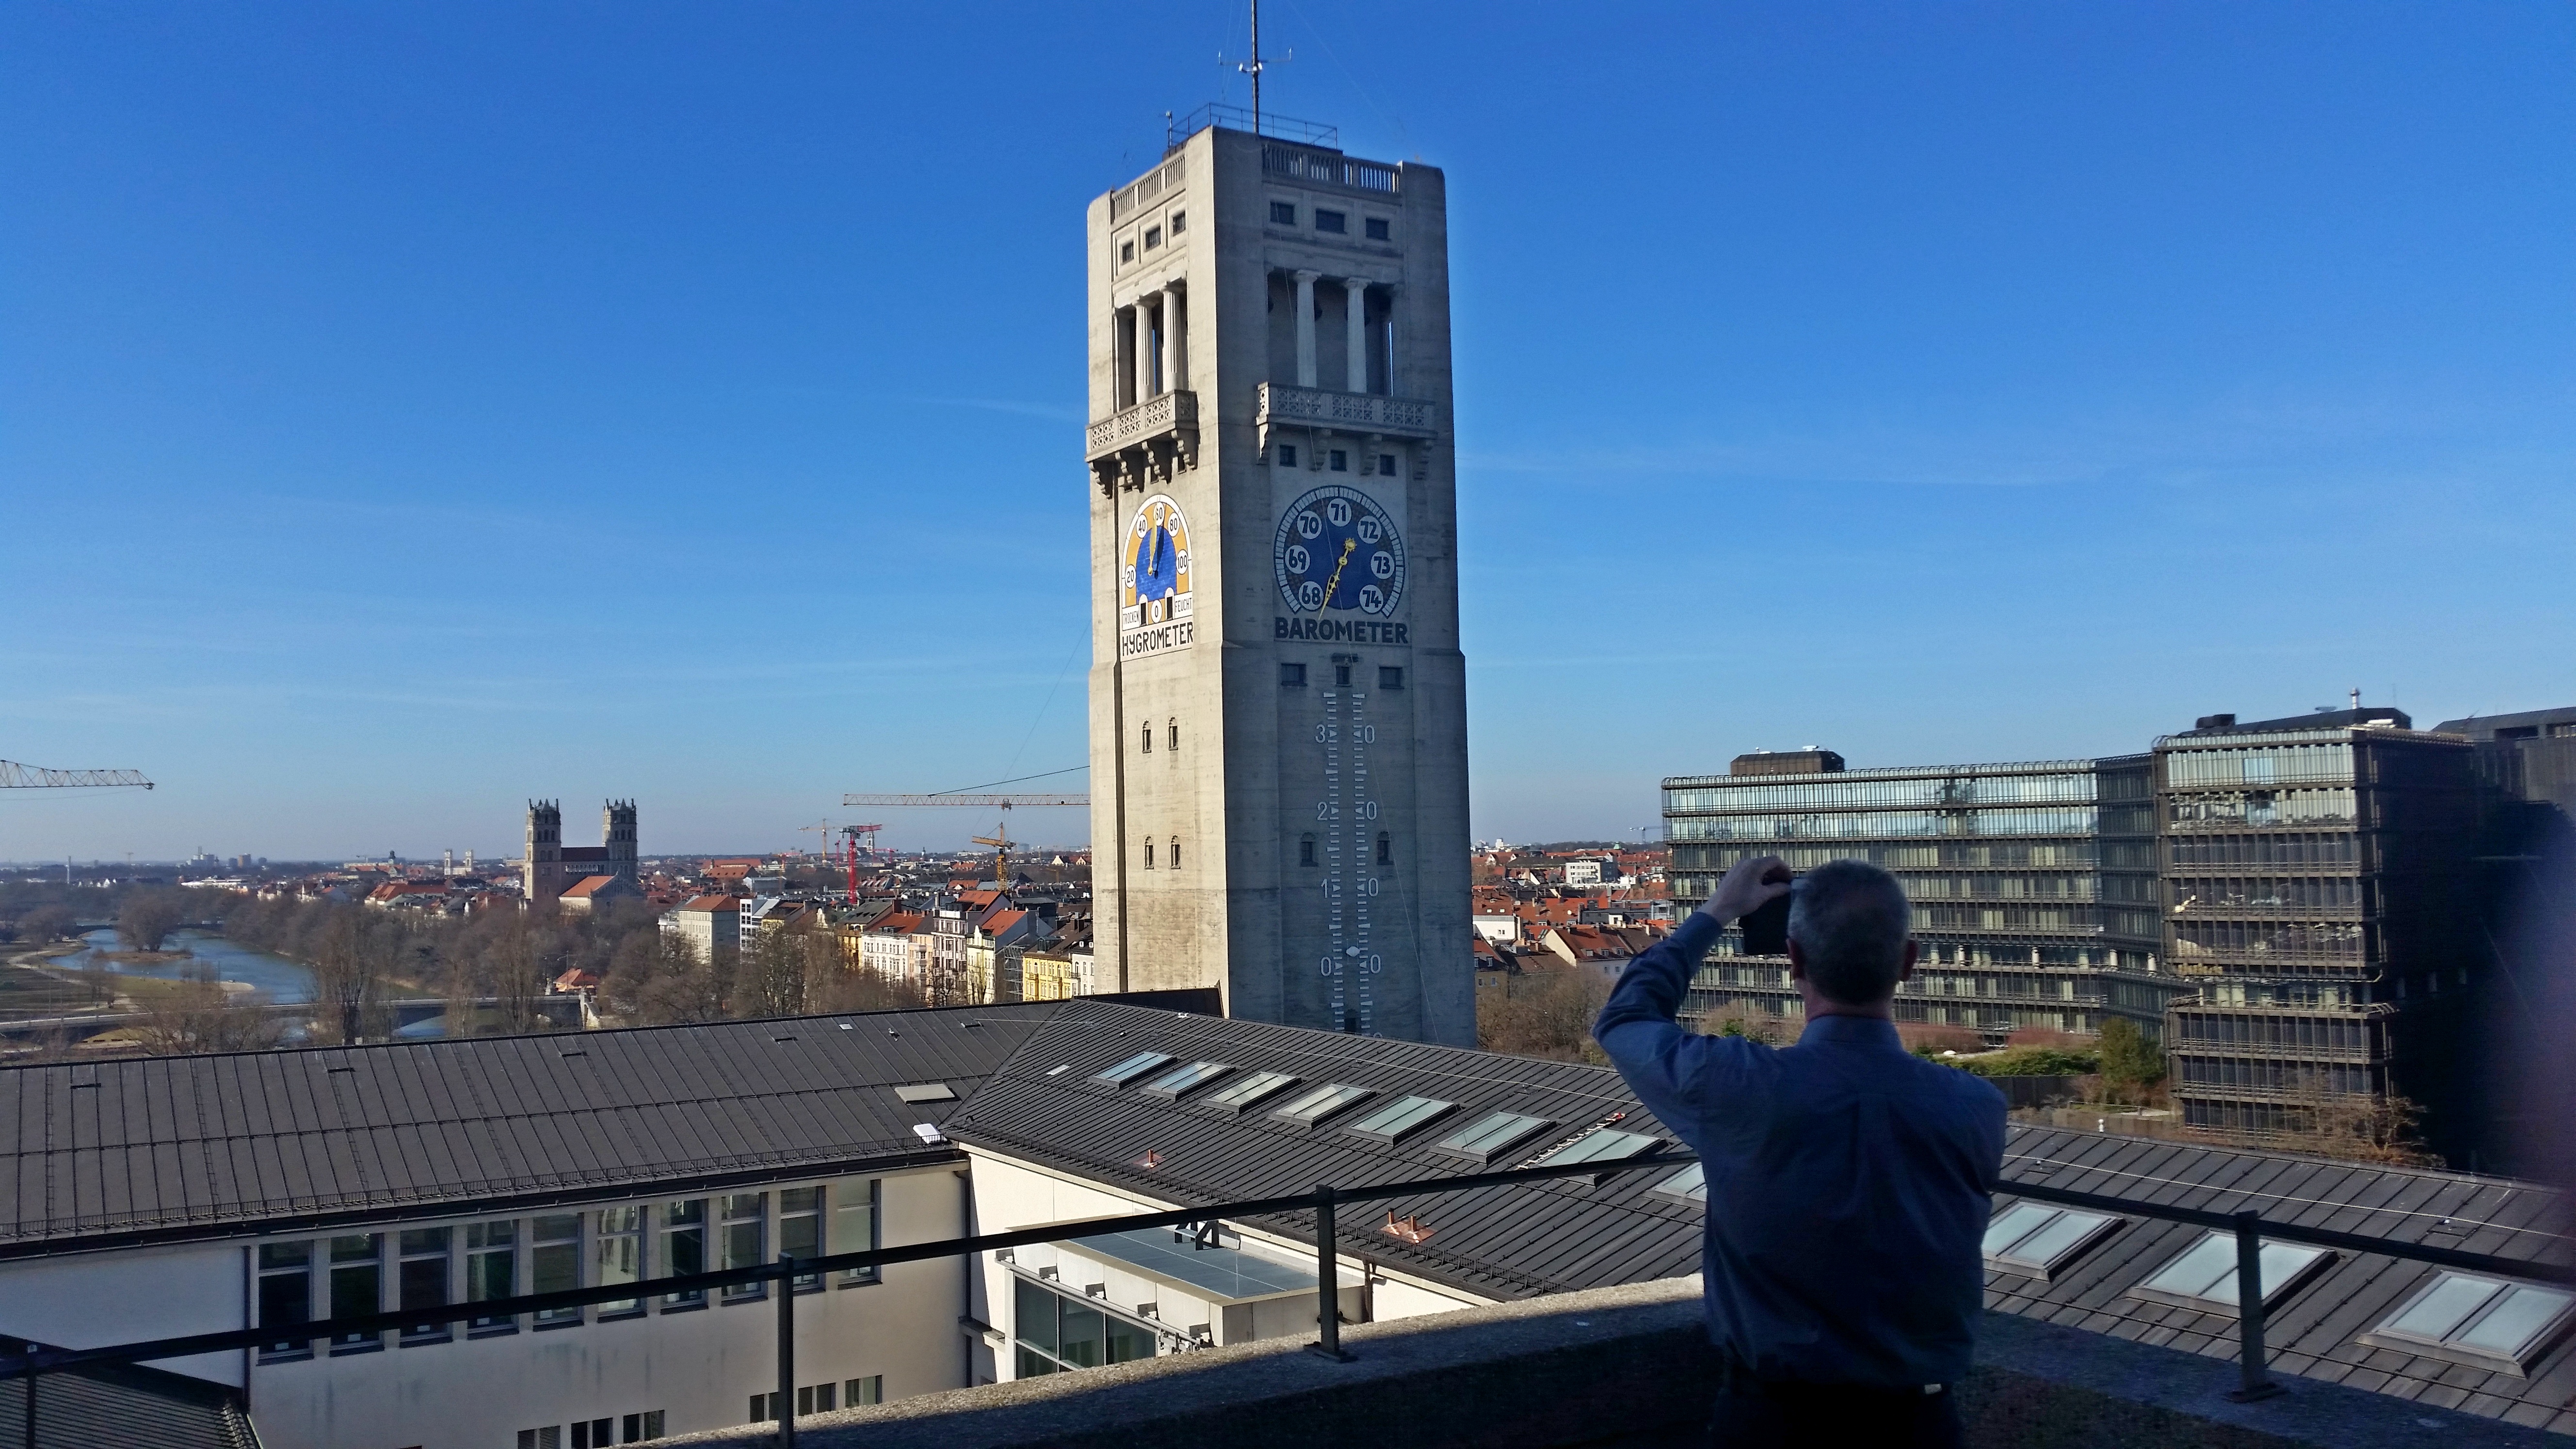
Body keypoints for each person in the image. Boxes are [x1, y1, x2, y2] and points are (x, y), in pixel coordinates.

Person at [1595, 856, 2005, 1448]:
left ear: (1793, 962)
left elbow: (1625, 1018)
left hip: (1773, 1421)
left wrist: (1716, 913)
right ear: (1907, 963)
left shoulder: (1738, 1087)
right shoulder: (1976, 1108)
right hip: (1921, 1425)